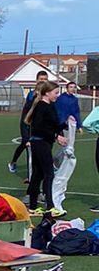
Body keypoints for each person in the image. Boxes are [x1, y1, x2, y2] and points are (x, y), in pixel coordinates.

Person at [25, 78, 65, 213]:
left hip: (44, 143)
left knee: (38, 174)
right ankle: (50, 206)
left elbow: (52, 125)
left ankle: (32, 206)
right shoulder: (41, 107)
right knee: (49, 173)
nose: (57, 95)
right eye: (55, 92)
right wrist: (55, 136)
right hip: (40, 143)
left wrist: (67, 124)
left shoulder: (50, 106)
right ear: (47, 93)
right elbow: (38, 128)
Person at [8, 70, 49, 174]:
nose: (43, 81)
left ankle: (41, 169)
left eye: (45, 79)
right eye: (41, 79)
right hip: (29, 127)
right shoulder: (31, 95)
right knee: (26, 146)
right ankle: (23, 170)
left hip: (40, 128)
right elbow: (27, 115)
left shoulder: (48, 95)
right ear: (36, 80)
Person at [51, 80, 82, 212]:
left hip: (71, 124)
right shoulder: (61, 99)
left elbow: (76, 112)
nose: (73, 89)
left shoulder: (74, 100)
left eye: (74, 87)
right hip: (63, 124)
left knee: (69, 146)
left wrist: (79, 125)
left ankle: (57, 159)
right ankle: (58, 160)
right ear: (66, 88)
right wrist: (62, 122)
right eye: (71, 87)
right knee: (67, 147)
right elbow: (58, 111)